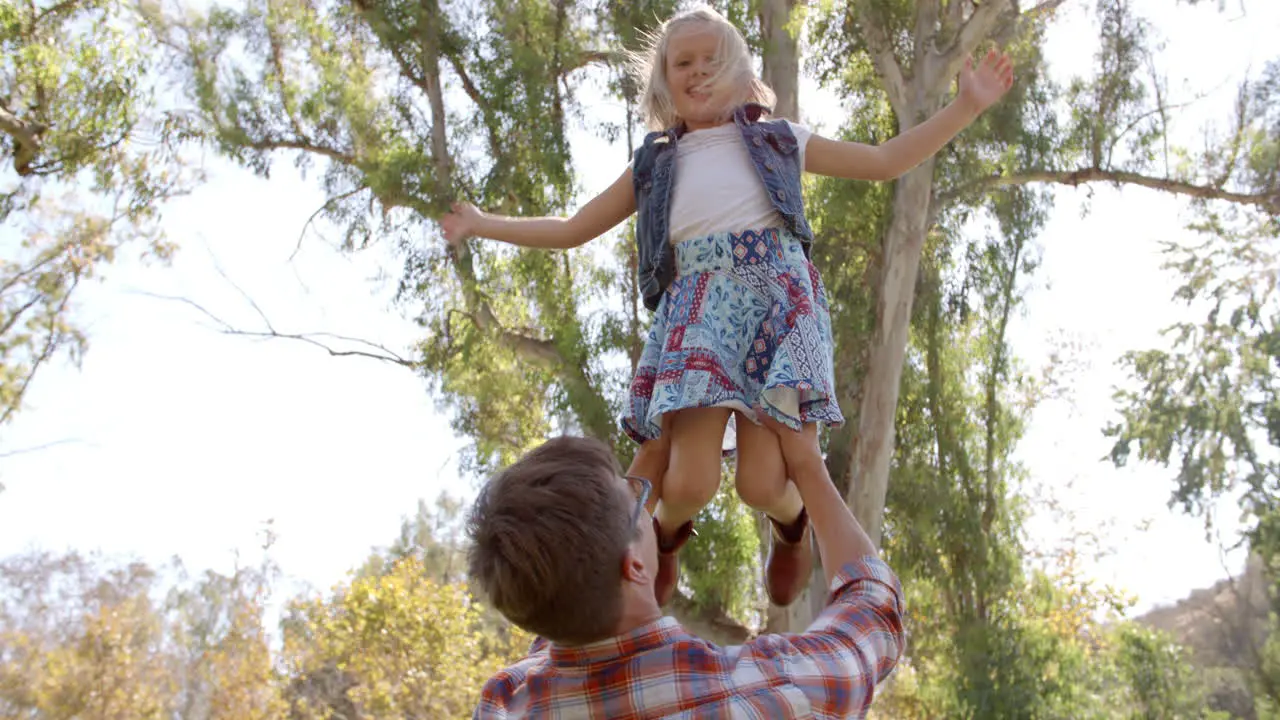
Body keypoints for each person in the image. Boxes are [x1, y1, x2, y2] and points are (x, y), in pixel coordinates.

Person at [443, 5, 1014, 610]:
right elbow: (572, 227)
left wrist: (966, 106)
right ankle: (661, 536)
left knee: (762, 482)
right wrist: (482, 224)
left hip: (776, 302)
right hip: (699, 313)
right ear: (663, 81)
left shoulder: (779, 141)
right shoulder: (655, 164)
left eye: (711, 60)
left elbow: (882, 162)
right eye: (681, 62)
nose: (696, 71)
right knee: (688, 481)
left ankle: (791, 526)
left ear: (742, 73)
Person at [466, 417, 905, 719]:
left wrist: (650, 462)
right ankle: (791, 526)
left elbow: (564, 597)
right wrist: (809, 465)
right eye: (637, 501)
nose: (644, 497)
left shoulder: (507, 702)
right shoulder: (752, 696)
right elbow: (872, 615)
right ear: (635, 566)